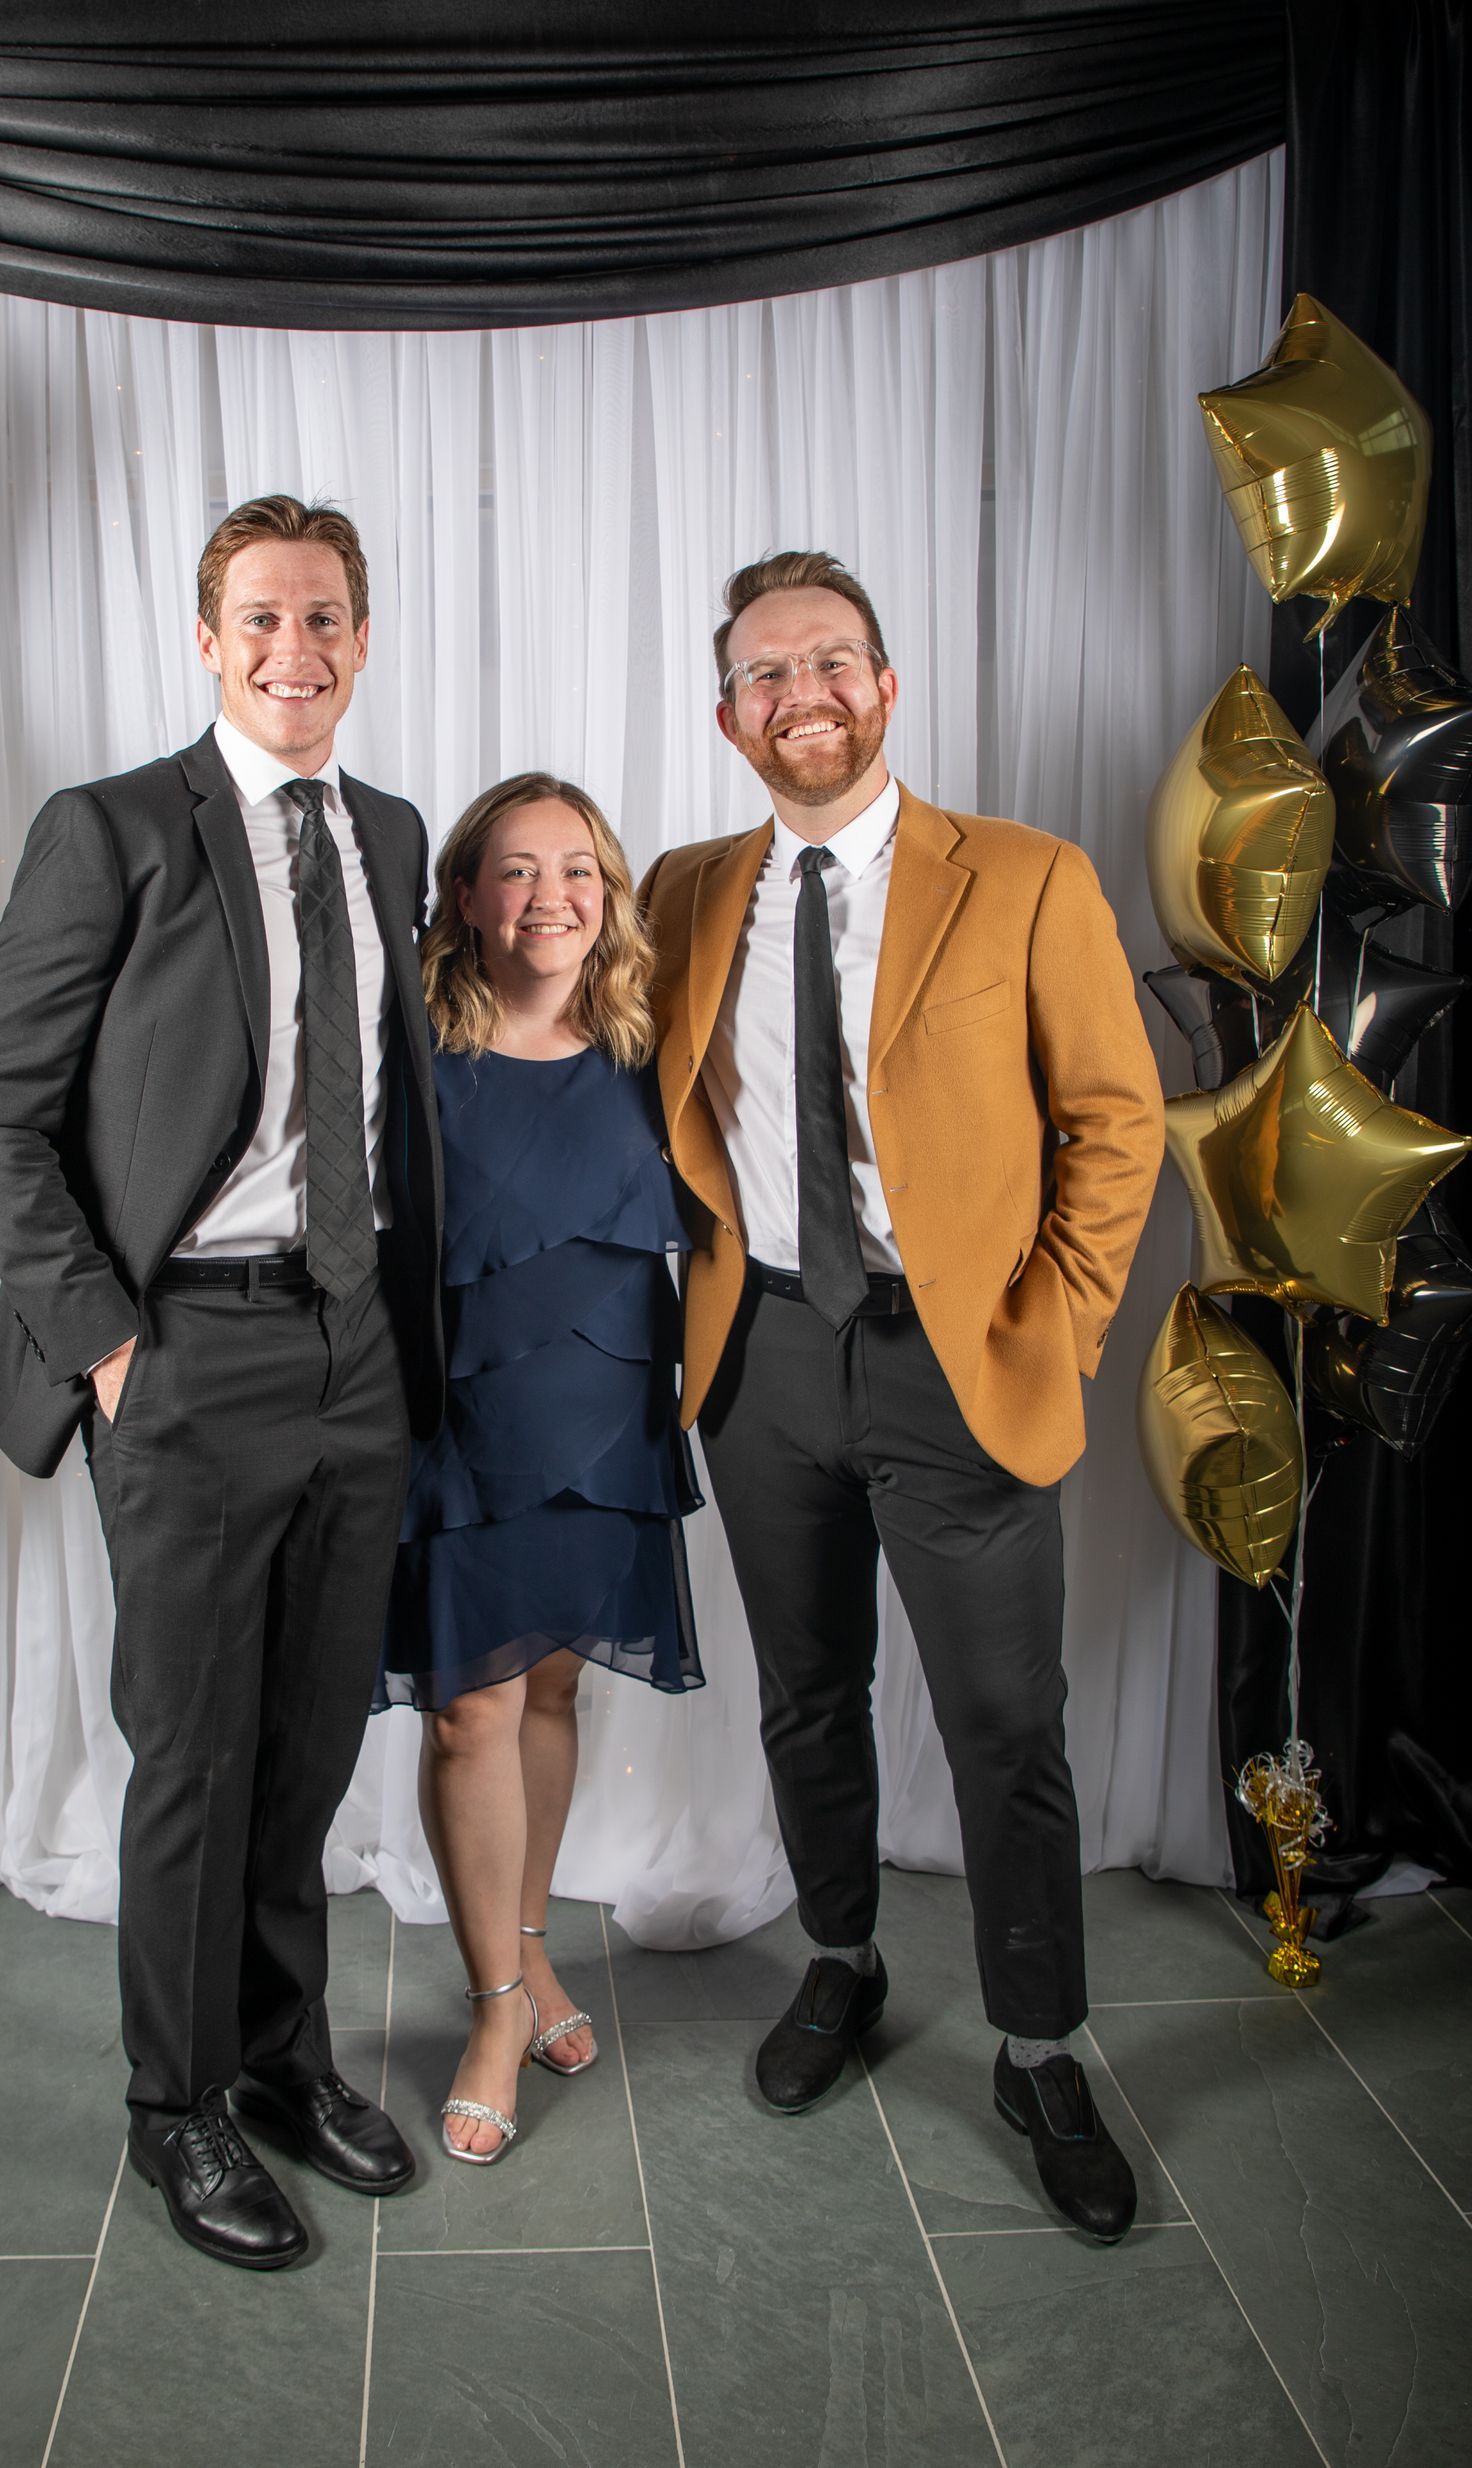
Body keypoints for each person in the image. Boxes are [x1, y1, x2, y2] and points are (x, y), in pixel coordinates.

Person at [0, 494, 443, 2272]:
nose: (292, 651)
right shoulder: (115, 831)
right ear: (207, 641)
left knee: (307, 1745)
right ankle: (177, 2109)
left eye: (323, 620)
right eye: (259, 621)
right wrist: (111, 1342)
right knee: (194, 1750)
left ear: (361, 641)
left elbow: (386, 1096)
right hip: (184, 1350)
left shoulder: (389, 833)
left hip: (353, 1341)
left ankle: (284, 2058)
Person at [640, 552, 1164, 2242]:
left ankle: (1037, 2044)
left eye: (835, 662)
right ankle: (844, 1960)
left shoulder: (1023, 878)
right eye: (770, 674)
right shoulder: (684, 887)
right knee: (807, 1693)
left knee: (1008, 1724)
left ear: (886, 686)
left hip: (965, 1364)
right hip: (764, 1354)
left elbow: (1115, 1123)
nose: (807, 694)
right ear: (729, 716)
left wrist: (1060, 1325)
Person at [377, 773, 703, 2163]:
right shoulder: (413, 1052)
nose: (549, 897)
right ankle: (497, 2006)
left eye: (577, 870)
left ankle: (532, 1947)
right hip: (460, 1424)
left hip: (610, 1411)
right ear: (464, 897)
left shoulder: (654, 1045)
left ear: (611, 895)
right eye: (514, 871)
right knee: (471, 1714)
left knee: (555, 1683)